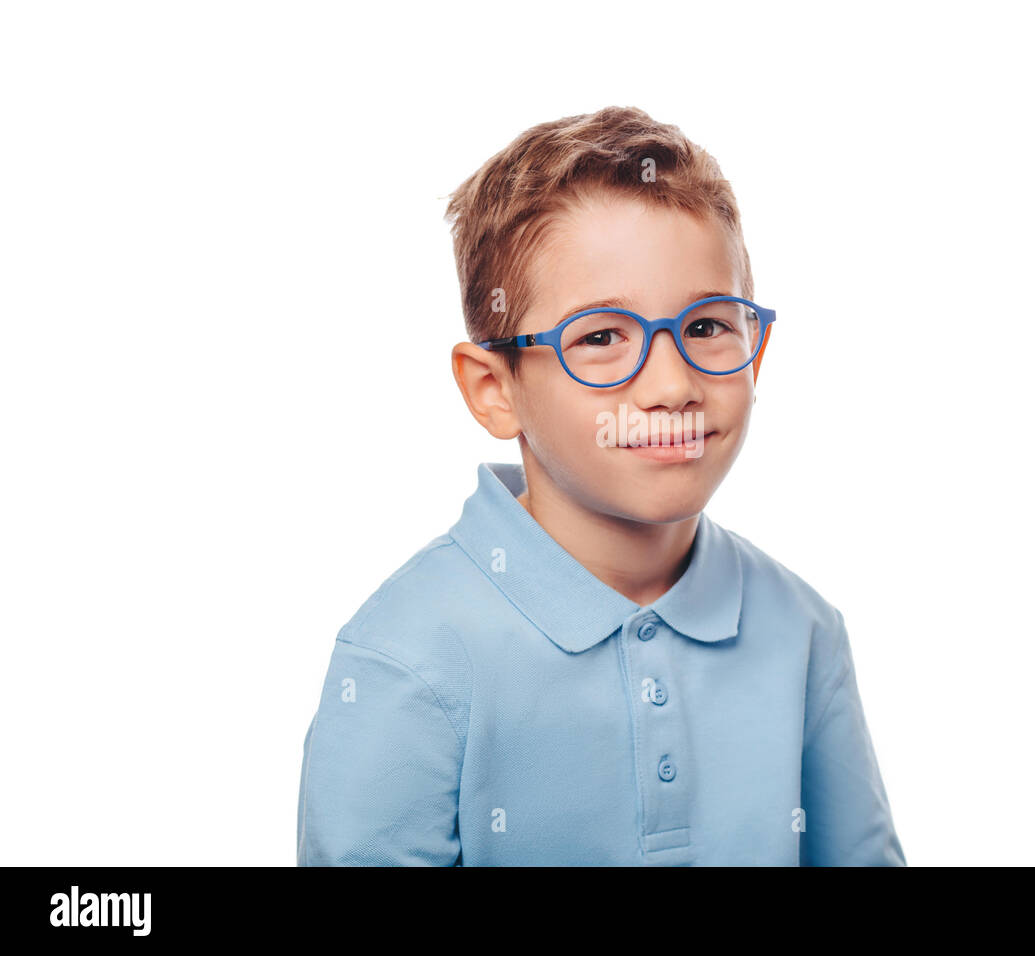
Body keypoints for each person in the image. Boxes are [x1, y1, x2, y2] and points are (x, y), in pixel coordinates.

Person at [296, 105, 905, 866]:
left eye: (709, 326)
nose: (673, 384)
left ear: (758, 351)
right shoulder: (405, 661)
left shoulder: (804, 631)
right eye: (602, 338)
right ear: (495, 389)